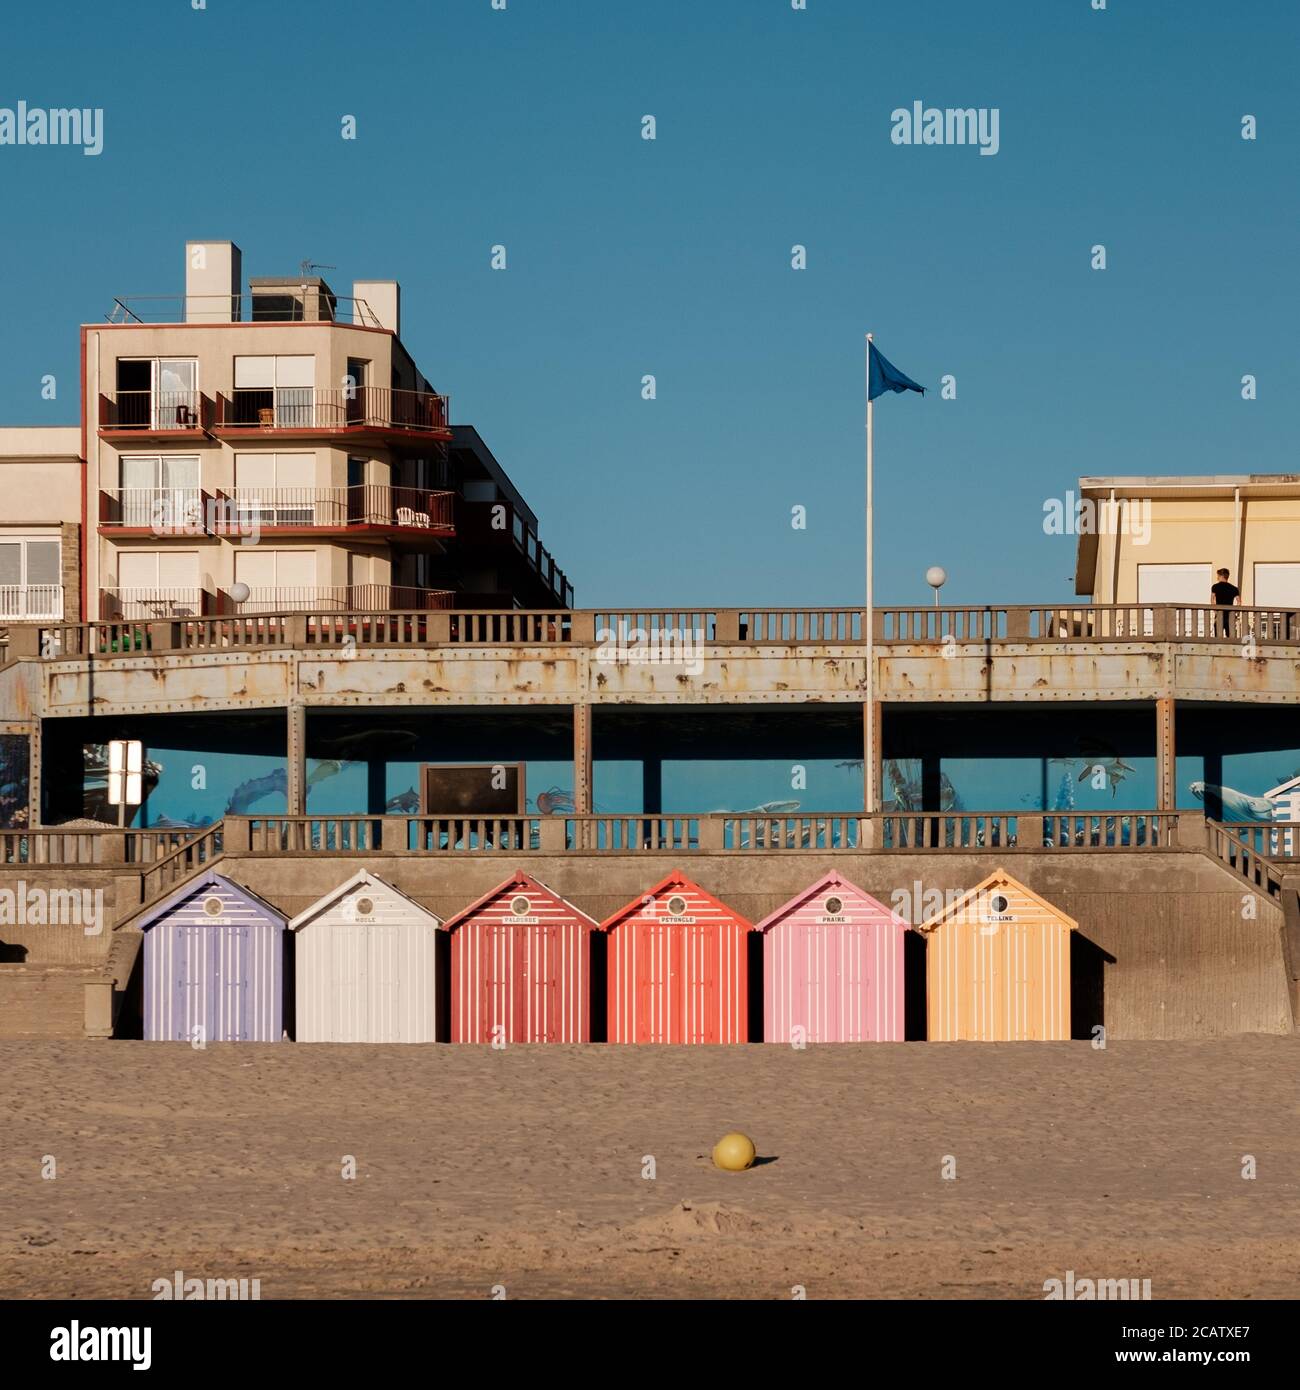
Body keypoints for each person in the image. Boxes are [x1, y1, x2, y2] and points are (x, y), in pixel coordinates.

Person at [1210, 568, 1240, 635]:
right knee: (1230, 637)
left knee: (1217, 637)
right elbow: (1239, 602)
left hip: (1219, 615)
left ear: (1221, 576)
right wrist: (1235, 613)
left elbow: (1212, 600)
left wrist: (1215, 612)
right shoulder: (1234, 588)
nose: (1217, 578)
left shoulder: (1215, 587)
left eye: (1218, 576)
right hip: (1230, 615)